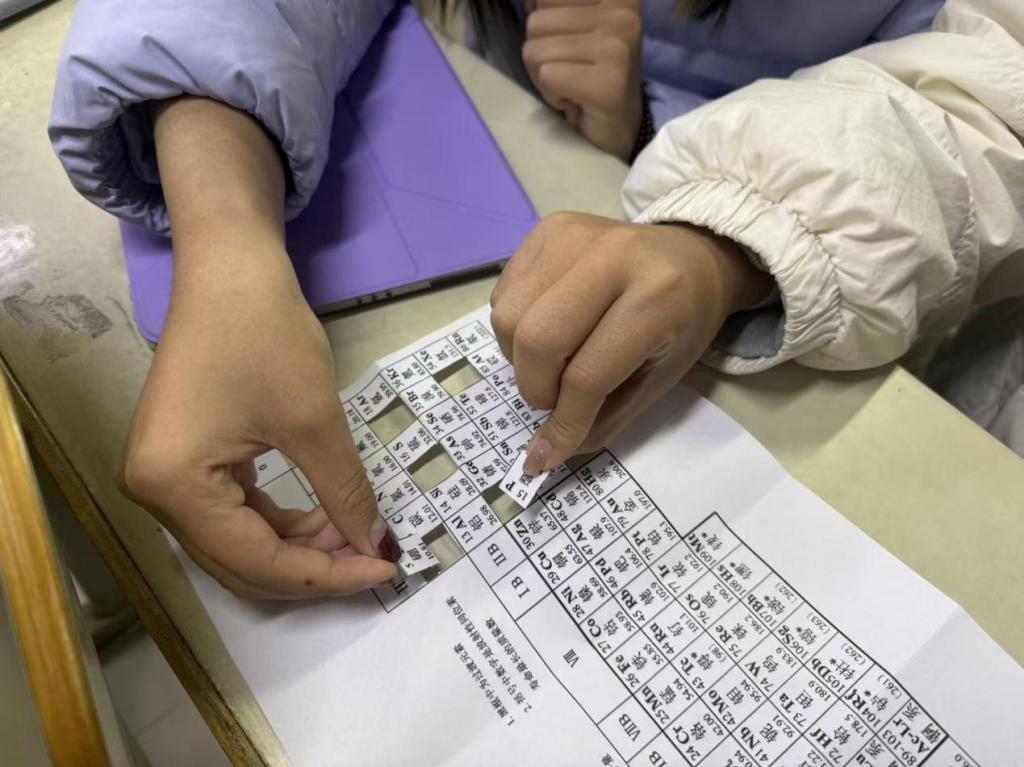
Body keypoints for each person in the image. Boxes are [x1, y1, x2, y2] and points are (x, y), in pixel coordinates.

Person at [48, 0, 1024, 600]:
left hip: (865, 280)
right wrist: (225, 237)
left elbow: (988, 84)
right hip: (537, 155)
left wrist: (725, 226)